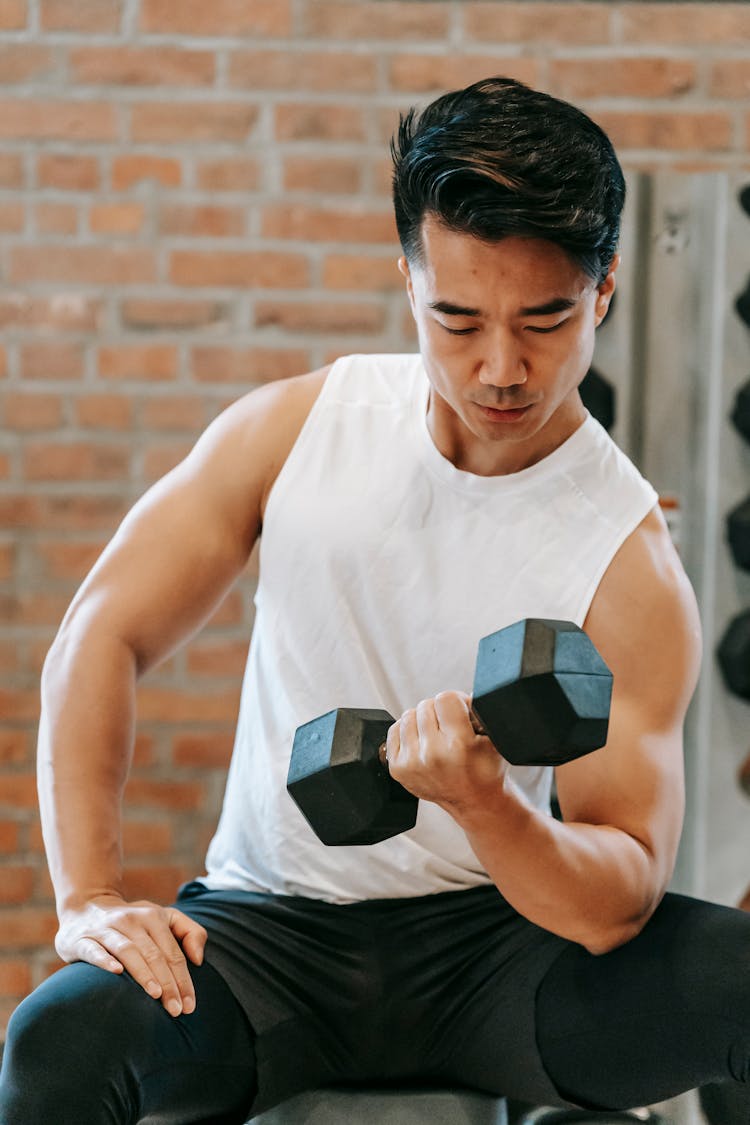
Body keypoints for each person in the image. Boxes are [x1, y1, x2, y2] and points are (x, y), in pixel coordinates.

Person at [0, 76, 748, 1125]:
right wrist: (91, 896)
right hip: (266, 936)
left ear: (605, 289)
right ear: (409, 284)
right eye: (456, 319)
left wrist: (487, 805)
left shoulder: (625, 558)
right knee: (61, 1043)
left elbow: (620, 894)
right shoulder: (298, 431)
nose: (501, 368)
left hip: (503, 953)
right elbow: (104, 630)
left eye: (546, 319)